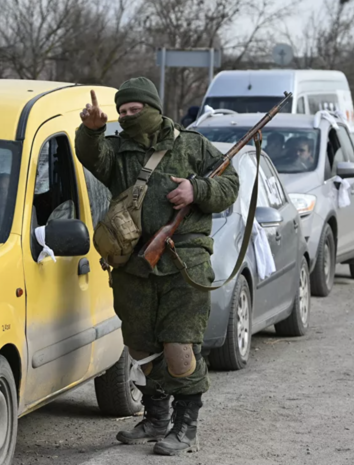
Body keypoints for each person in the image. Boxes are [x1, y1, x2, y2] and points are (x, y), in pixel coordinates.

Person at [75, 78, 239, 456]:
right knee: (142, 347)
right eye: (124, 112)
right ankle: (156, 418)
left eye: (137, 110)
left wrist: (197, 191)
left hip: (185, 264)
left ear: (154, 108)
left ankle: (185, 427)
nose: (130, 117)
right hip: (134, 266)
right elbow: (90, 156)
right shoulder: (116, 152)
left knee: (180, 349)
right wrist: (92, 129)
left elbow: (230, 184)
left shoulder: (192, 145)